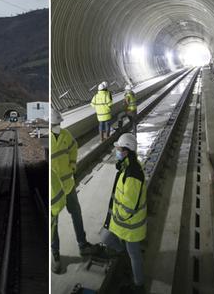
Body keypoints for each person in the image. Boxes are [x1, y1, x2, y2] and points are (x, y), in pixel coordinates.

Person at [51, 109, 96, 274]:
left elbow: (74, 148)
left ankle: (82, 244)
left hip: (68, 185)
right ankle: (55, 255)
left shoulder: (65, 135)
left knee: (76, 213)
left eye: (58, 123)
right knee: (53, 225)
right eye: (55, 124)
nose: (58, 126)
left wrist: (72, 165)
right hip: (52, 192)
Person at [102, 133, 146, 292]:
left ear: (127, 151)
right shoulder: (126, 166)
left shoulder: (133, 173)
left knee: (134, 254)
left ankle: (139, 285)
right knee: (108, 239)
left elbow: (129, 206)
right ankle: (123, 254)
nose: (117, 151)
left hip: (129, 224)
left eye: (119, 149)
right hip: (123, 222)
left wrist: (116, 217)